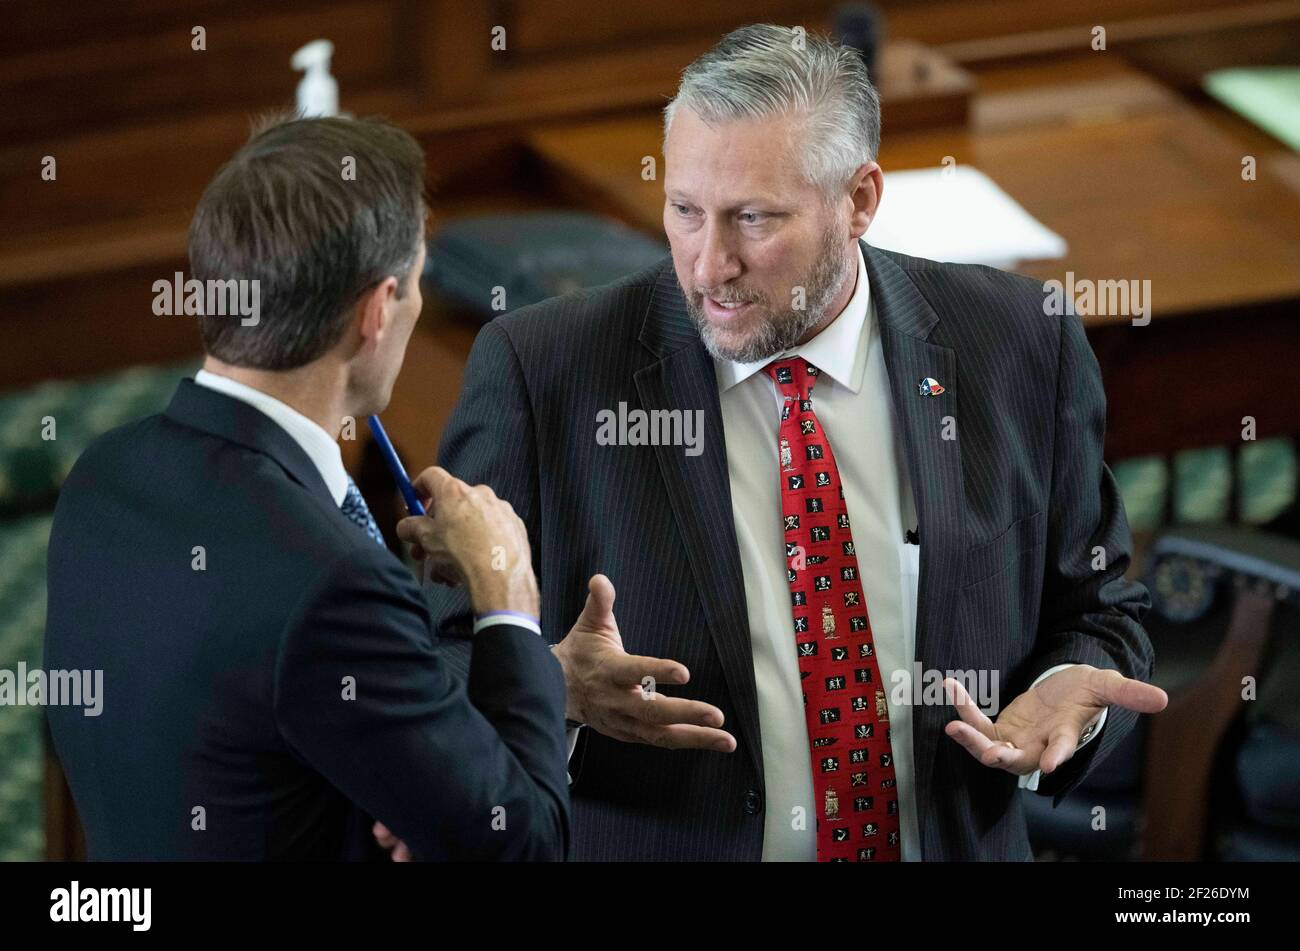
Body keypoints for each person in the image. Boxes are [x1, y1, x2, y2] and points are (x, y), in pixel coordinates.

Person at [420, 24, 1168, 861]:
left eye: (753, 219)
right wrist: (546, 684)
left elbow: (1098, 607)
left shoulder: (1019, 344)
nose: (709, 265)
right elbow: (433, 662)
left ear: (859, 200)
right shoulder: (544, 370)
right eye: (685, 213)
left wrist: (1071, 688)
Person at [44, 115, 569, 860]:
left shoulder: (103, 475)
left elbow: (248, 726)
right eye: (415, 284)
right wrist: (507, 601)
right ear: (376, 311)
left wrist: (530, 688)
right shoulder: (333, 579)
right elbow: (525, 843)